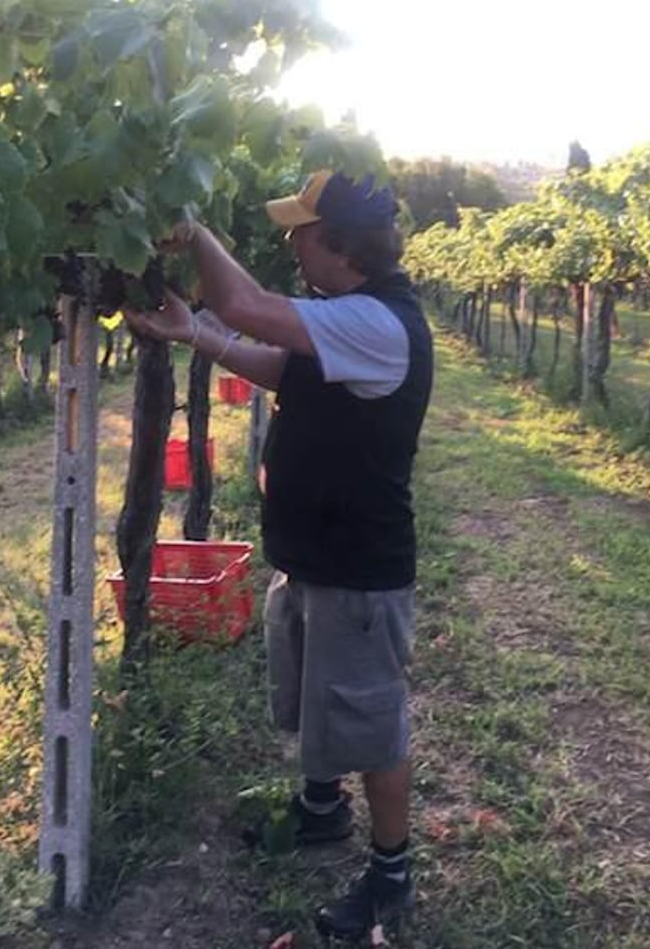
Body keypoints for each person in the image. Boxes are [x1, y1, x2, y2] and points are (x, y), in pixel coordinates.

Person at [125, 169, 434, 942]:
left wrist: (196, 234)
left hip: (358, 566)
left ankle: (391, 874)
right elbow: (278, 364)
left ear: (341, 244)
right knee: (318, 694)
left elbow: (244, 304)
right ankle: (321, 809)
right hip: (314, 551)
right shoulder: (348, 316)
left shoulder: (380, 321)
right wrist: (195, 333)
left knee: (372, 723)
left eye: (301, 230)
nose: (291, 242)